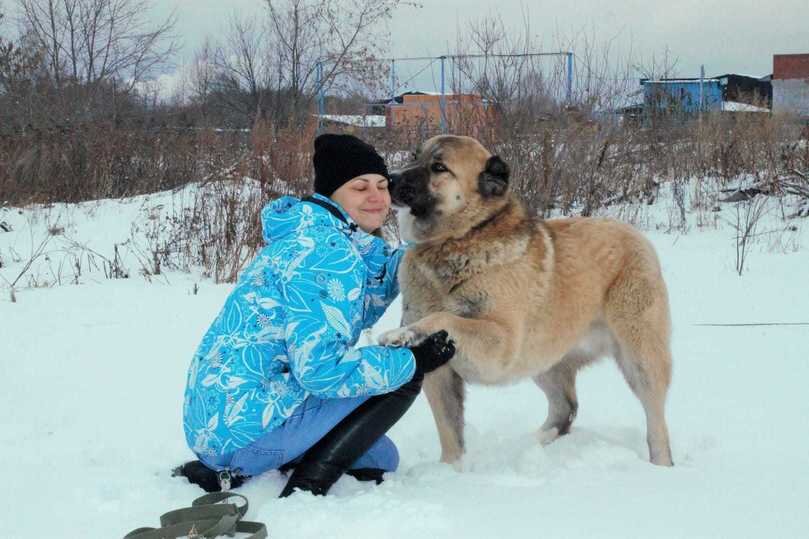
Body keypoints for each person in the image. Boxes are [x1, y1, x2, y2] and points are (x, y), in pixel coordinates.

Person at [175, 133, 455, 497]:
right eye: (360, 187)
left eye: (383, 185)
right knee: (403, 369)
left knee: (379, 458)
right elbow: (321, 372)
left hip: (218, 425)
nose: (377, 197)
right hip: (245, 432)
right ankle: (305, 490)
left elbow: (373, 285)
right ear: (331, 193)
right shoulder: (326, 254)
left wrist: (431, 238)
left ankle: (236, 466)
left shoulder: (320, 236)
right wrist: (412, 360)